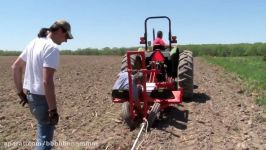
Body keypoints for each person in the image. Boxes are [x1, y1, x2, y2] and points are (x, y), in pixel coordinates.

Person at [11, 19, 73, 150]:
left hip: (31, 97)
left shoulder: (34, 42)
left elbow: (15, 67)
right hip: (42, 99)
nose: (66, 40)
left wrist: (20, 93)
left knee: (41, 133)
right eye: (66, 36)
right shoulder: (52, 48)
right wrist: (53, 110)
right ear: (60, 31)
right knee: (44, 139)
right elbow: (47, 81)